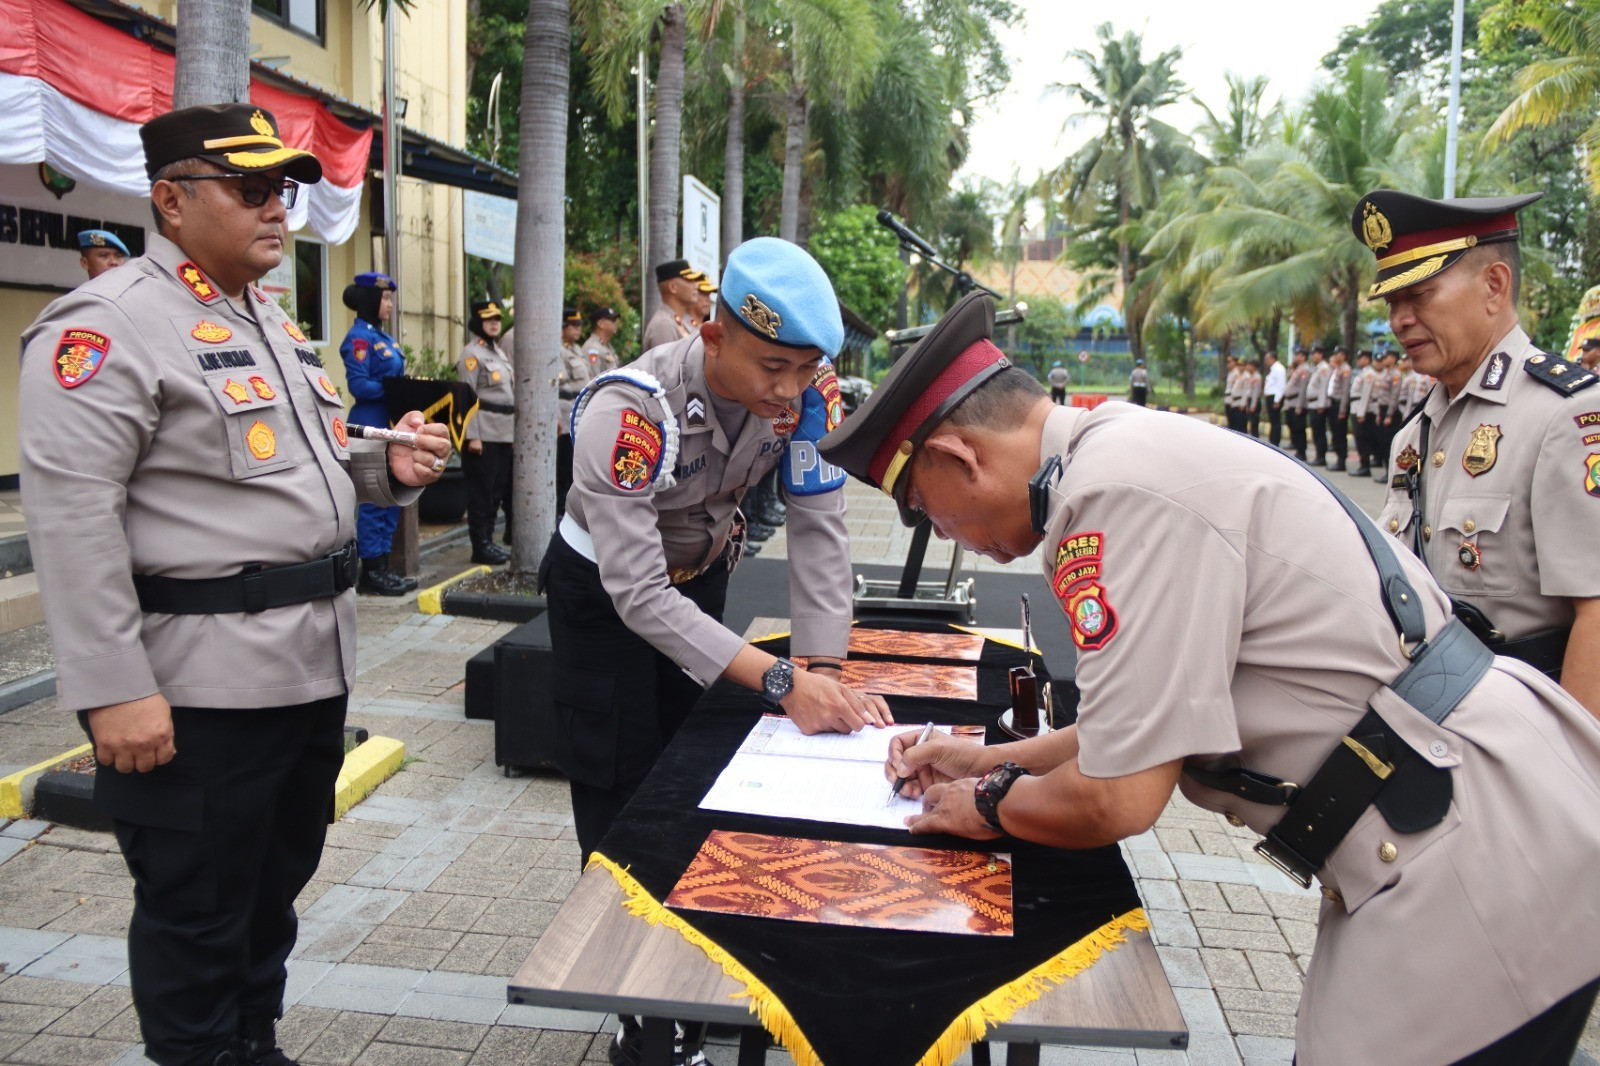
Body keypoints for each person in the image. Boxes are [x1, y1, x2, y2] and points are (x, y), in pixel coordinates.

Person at [817, 289, 1600, 1066]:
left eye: (925, 508)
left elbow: (1118, 795)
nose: (943, 532)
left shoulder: (1109, 495)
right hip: (1462, 808)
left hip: (1477, 844)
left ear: (960, 456)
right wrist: (993, 760)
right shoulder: (1117, 448)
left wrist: (983, 804)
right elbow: (1145, 721)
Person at [17, 103, 451, 1066]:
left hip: (304, 670)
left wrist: (388, 470)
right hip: (197, 688)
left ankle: (251, 1046)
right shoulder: (108, 326)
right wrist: (112, 690)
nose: (278, 211)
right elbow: (74, 519)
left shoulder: (261, 315)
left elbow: (298, 460)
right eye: (251, 190)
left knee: (270, 890)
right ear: (172, 201)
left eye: (285, 190)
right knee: (196, 908)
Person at [543, 238, 892, 1066]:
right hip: (605, 598)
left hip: (698, 579)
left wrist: (826, 675)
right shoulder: (627, 411)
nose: (789, 391)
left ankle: (699, 979)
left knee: (699, 776)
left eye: (806, 368)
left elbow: (818, 533)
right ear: (712, 336)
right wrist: (780, 680)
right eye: (772, 367)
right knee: (623, 784)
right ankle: (638, 1016)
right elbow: (635, 597)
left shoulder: (808, 395)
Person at [1365, 189, 1600, 713]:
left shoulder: (1565, 415)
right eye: (1392, 302)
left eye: (1419, 295)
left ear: (1494, 285)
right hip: (1440, 726)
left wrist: (1574, 769)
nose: (1398, 320)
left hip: (1529, 725)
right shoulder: (1416, 435)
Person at [339, 271, 416, 596]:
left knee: (392, 496)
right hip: (370, 425)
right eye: (384, 299)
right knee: (373, 500)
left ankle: (384, 566)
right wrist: (395, 390)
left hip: (390, 423)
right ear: (370, 299)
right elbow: (358, 385)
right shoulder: (359, 339)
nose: (389, 305)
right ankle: (372, 571)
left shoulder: (384, 339)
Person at [456, 300, 514, 564]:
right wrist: (472, 435)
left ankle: (489, 541)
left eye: (497, 319)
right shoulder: (472, 354)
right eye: (488, 319)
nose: (494, 323)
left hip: (503, 433)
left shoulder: (499, 353)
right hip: (484, 434)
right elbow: (465, 398)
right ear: (478, 322)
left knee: (496, 491)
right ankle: (480, 546)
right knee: (481, 493)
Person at [556, 305, 592, 516]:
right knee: (564, 468)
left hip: (581, 413)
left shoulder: (577, 350)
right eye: (574, 325)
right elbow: (562, 385)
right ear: (563, 327)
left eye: (579, 325)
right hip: (566, 412)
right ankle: (562, 509)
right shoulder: (559, 351)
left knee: (576, 465)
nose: (578, 329)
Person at [640, 259, 699, 351]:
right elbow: (667, 365)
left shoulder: (677, 322)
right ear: (673, 287)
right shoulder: (663, 325)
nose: (696, 286)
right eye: (689, 280)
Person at [1347, 349, 1377, 476]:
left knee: (1363, 438)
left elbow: (1366, 393)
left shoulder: (1369, 374)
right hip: (1356, 407)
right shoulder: (1362, 373)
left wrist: (1361, 413)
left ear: (1367, 359)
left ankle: (1365, 466)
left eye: (1361, 358)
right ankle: (1363, 464)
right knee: (1359, 438)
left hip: (1361, 409)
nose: (1358, 360)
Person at [1325, 346, 1352, 470]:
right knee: (1335, 432)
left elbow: (1345, 390)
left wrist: (1342, 409)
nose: (1335, 356)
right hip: (1333, 403)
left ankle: (1341, 461)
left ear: (1343, 355)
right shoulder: (1338, 369)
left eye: (1338, 354)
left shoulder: (1345, 369)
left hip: (1339, 403)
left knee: (1340, 433)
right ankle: (1338, 458)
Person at [1306, 345, 1331, 463]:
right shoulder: (1317, 368)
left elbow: (1323, 387)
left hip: (1318, 404)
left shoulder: (1324, 368)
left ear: (1320, 354)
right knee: (1316, 431)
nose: (1312, 356)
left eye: (1314, 353)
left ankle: (1321, 456)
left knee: (1319, 431)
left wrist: (1322, 404)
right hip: (1312, 403)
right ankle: (1318, 454)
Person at [1284, 347, 1310, 458]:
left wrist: (1300, 405)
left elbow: (1303, 389)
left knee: (1299, 428)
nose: (1295, 357)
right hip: (1291, 402)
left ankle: (1301, 451)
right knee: (1293, 427)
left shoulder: (1305, 369)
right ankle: (1297, 449)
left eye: (1297, 355)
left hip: (1297, 403)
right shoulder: (1298, 368)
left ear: (1303, 357)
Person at [582, 305, 622, 372]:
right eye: (613, 320)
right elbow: (594, 379)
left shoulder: (606, 345)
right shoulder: (592, 348)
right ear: (601, 324)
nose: (615, 323)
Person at [1262, 350, 1285, 446]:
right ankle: (1272, 440)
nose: (1266, 361)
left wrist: (1277, 400)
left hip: (1274, 397)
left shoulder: (1279, 369)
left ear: (1273, 358)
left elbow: (1281, 386)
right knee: (1272, 420)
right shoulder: (1273, 369)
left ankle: (1275, 442)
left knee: (1275, 421)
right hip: (1270, 397)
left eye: (1267, 359)